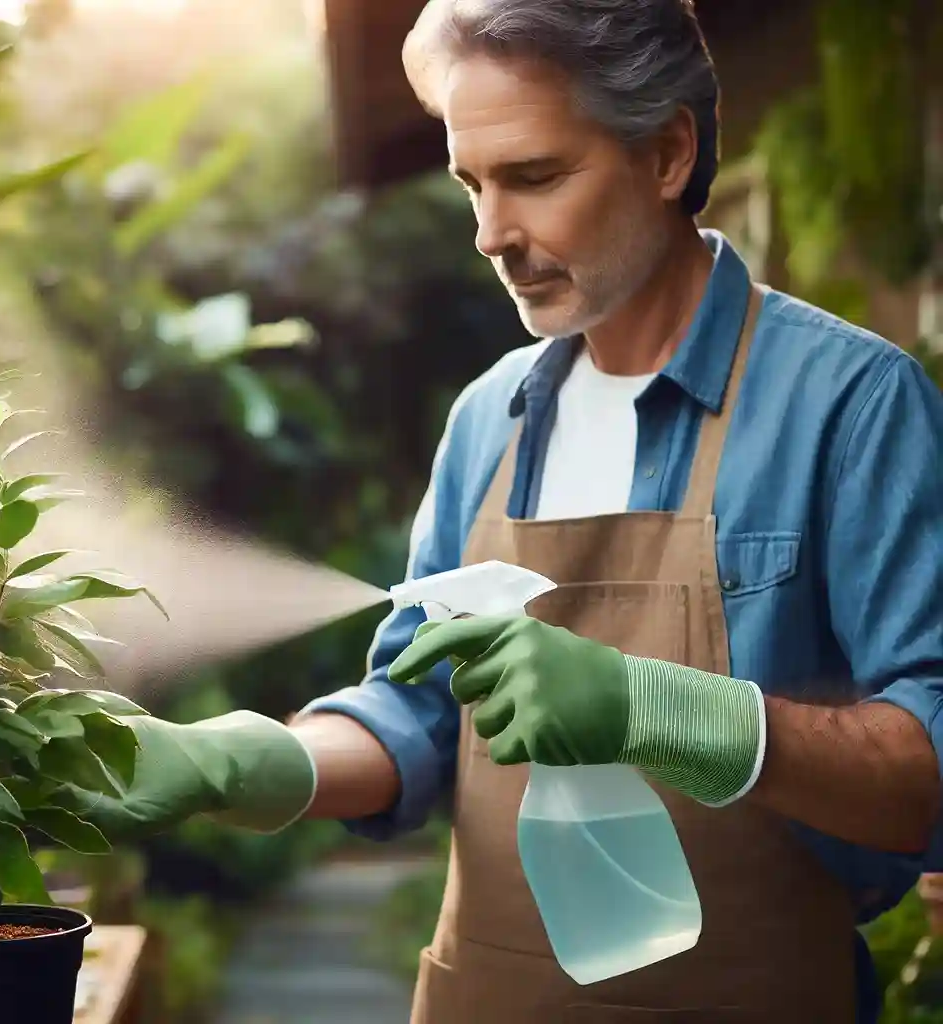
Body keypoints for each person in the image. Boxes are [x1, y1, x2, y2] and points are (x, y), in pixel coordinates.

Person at [84, 1, 943, 1021]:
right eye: (470, 184)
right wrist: (243, 759)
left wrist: (653, 709)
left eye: (533, 176)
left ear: (667, 152)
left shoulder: (849, 405)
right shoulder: (489, 420)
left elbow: (928, 768)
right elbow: (420, 712)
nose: (492, 233)